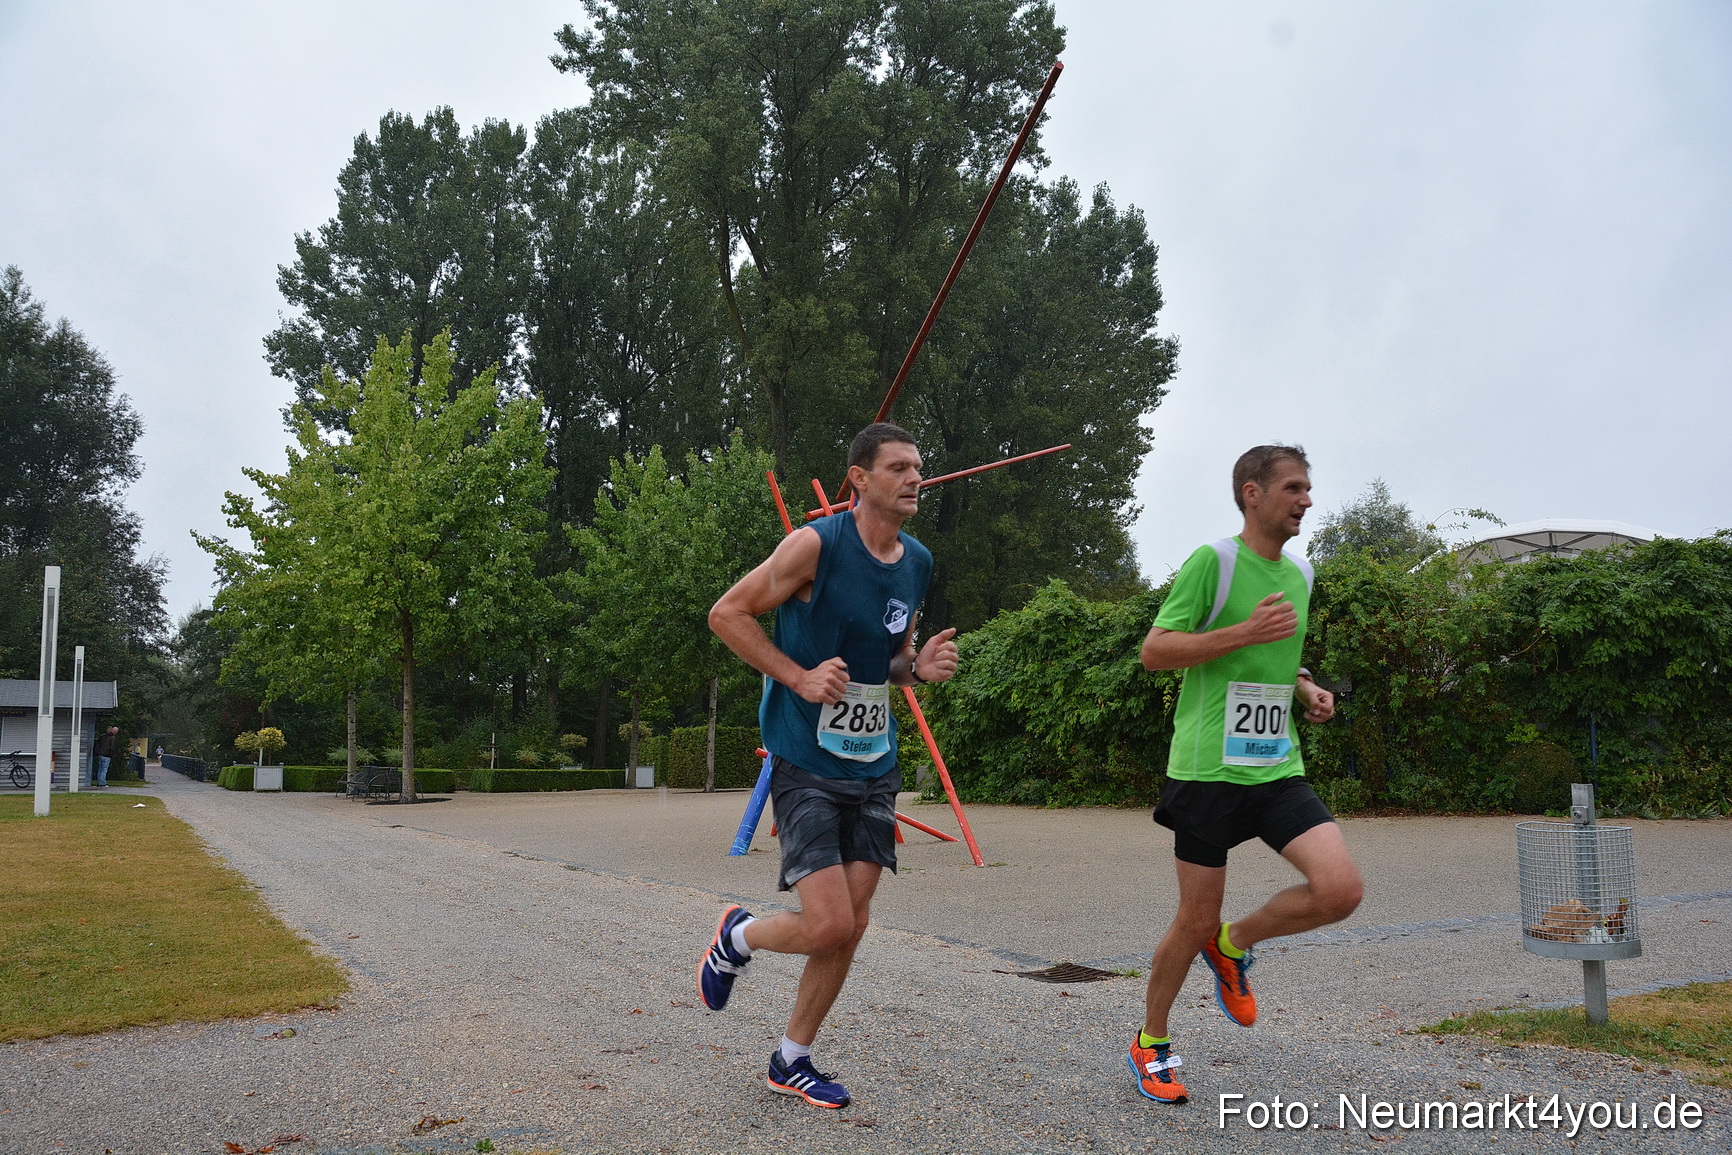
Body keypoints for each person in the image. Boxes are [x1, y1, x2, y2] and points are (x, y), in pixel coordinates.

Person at [699, 422, 959, 1110]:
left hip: (873, 763)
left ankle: (792, 1057)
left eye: (919, 466)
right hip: (806, 760)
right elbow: (727, 613)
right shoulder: (816, 544)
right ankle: (737, 936)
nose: (915, 478)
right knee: (830, 922)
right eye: (899, 466)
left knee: (856, 918)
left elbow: (890, 660)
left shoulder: (918, 562)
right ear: (858, 478)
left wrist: (918, 669)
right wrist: (798, 675)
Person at [1128, 444, 1364, 1105]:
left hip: (1275, 765)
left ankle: (1235, 944)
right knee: (1193, 916)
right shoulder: (1215, 563)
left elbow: (1278, 655)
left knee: (1340, 888)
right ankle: (1152, 1042)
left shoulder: (1303, 573)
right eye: (1293, 487)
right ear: (1252, 493)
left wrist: (1305, 689)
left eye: (1309, 488)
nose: (1306, 499)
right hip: (1207, 769)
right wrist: (1240, 632)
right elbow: (1155, 650)